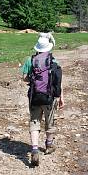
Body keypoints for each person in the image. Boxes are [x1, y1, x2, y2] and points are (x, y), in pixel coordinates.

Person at [20, 37, 64, 167]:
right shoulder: (54, 61)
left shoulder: (30, 60)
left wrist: (33, 80)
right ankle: (49, 145)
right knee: (49, 122)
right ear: (49, 47)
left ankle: (34, 149)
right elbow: (58, 82)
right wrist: (61, 97)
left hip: (34, 97)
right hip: (49, 98)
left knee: (34, 121)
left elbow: (24, 78)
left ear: (37, 48)